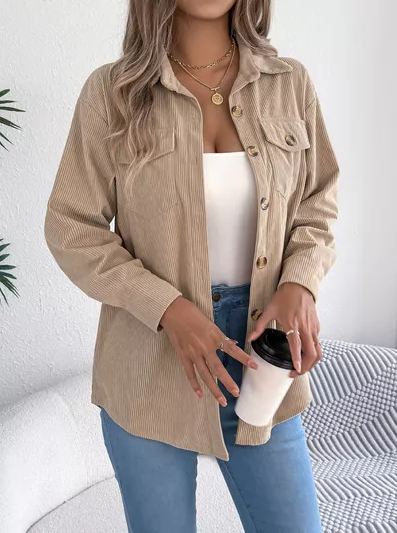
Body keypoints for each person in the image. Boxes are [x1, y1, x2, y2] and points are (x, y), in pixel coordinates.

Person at [44, 0, 340, 531]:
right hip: (149, 362)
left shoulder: (288, 84)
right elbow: (71, 226)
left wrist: (301, 282)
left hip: (263, 359)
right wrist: (167, 308)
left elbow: (318, 202)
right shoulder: (112, 94)